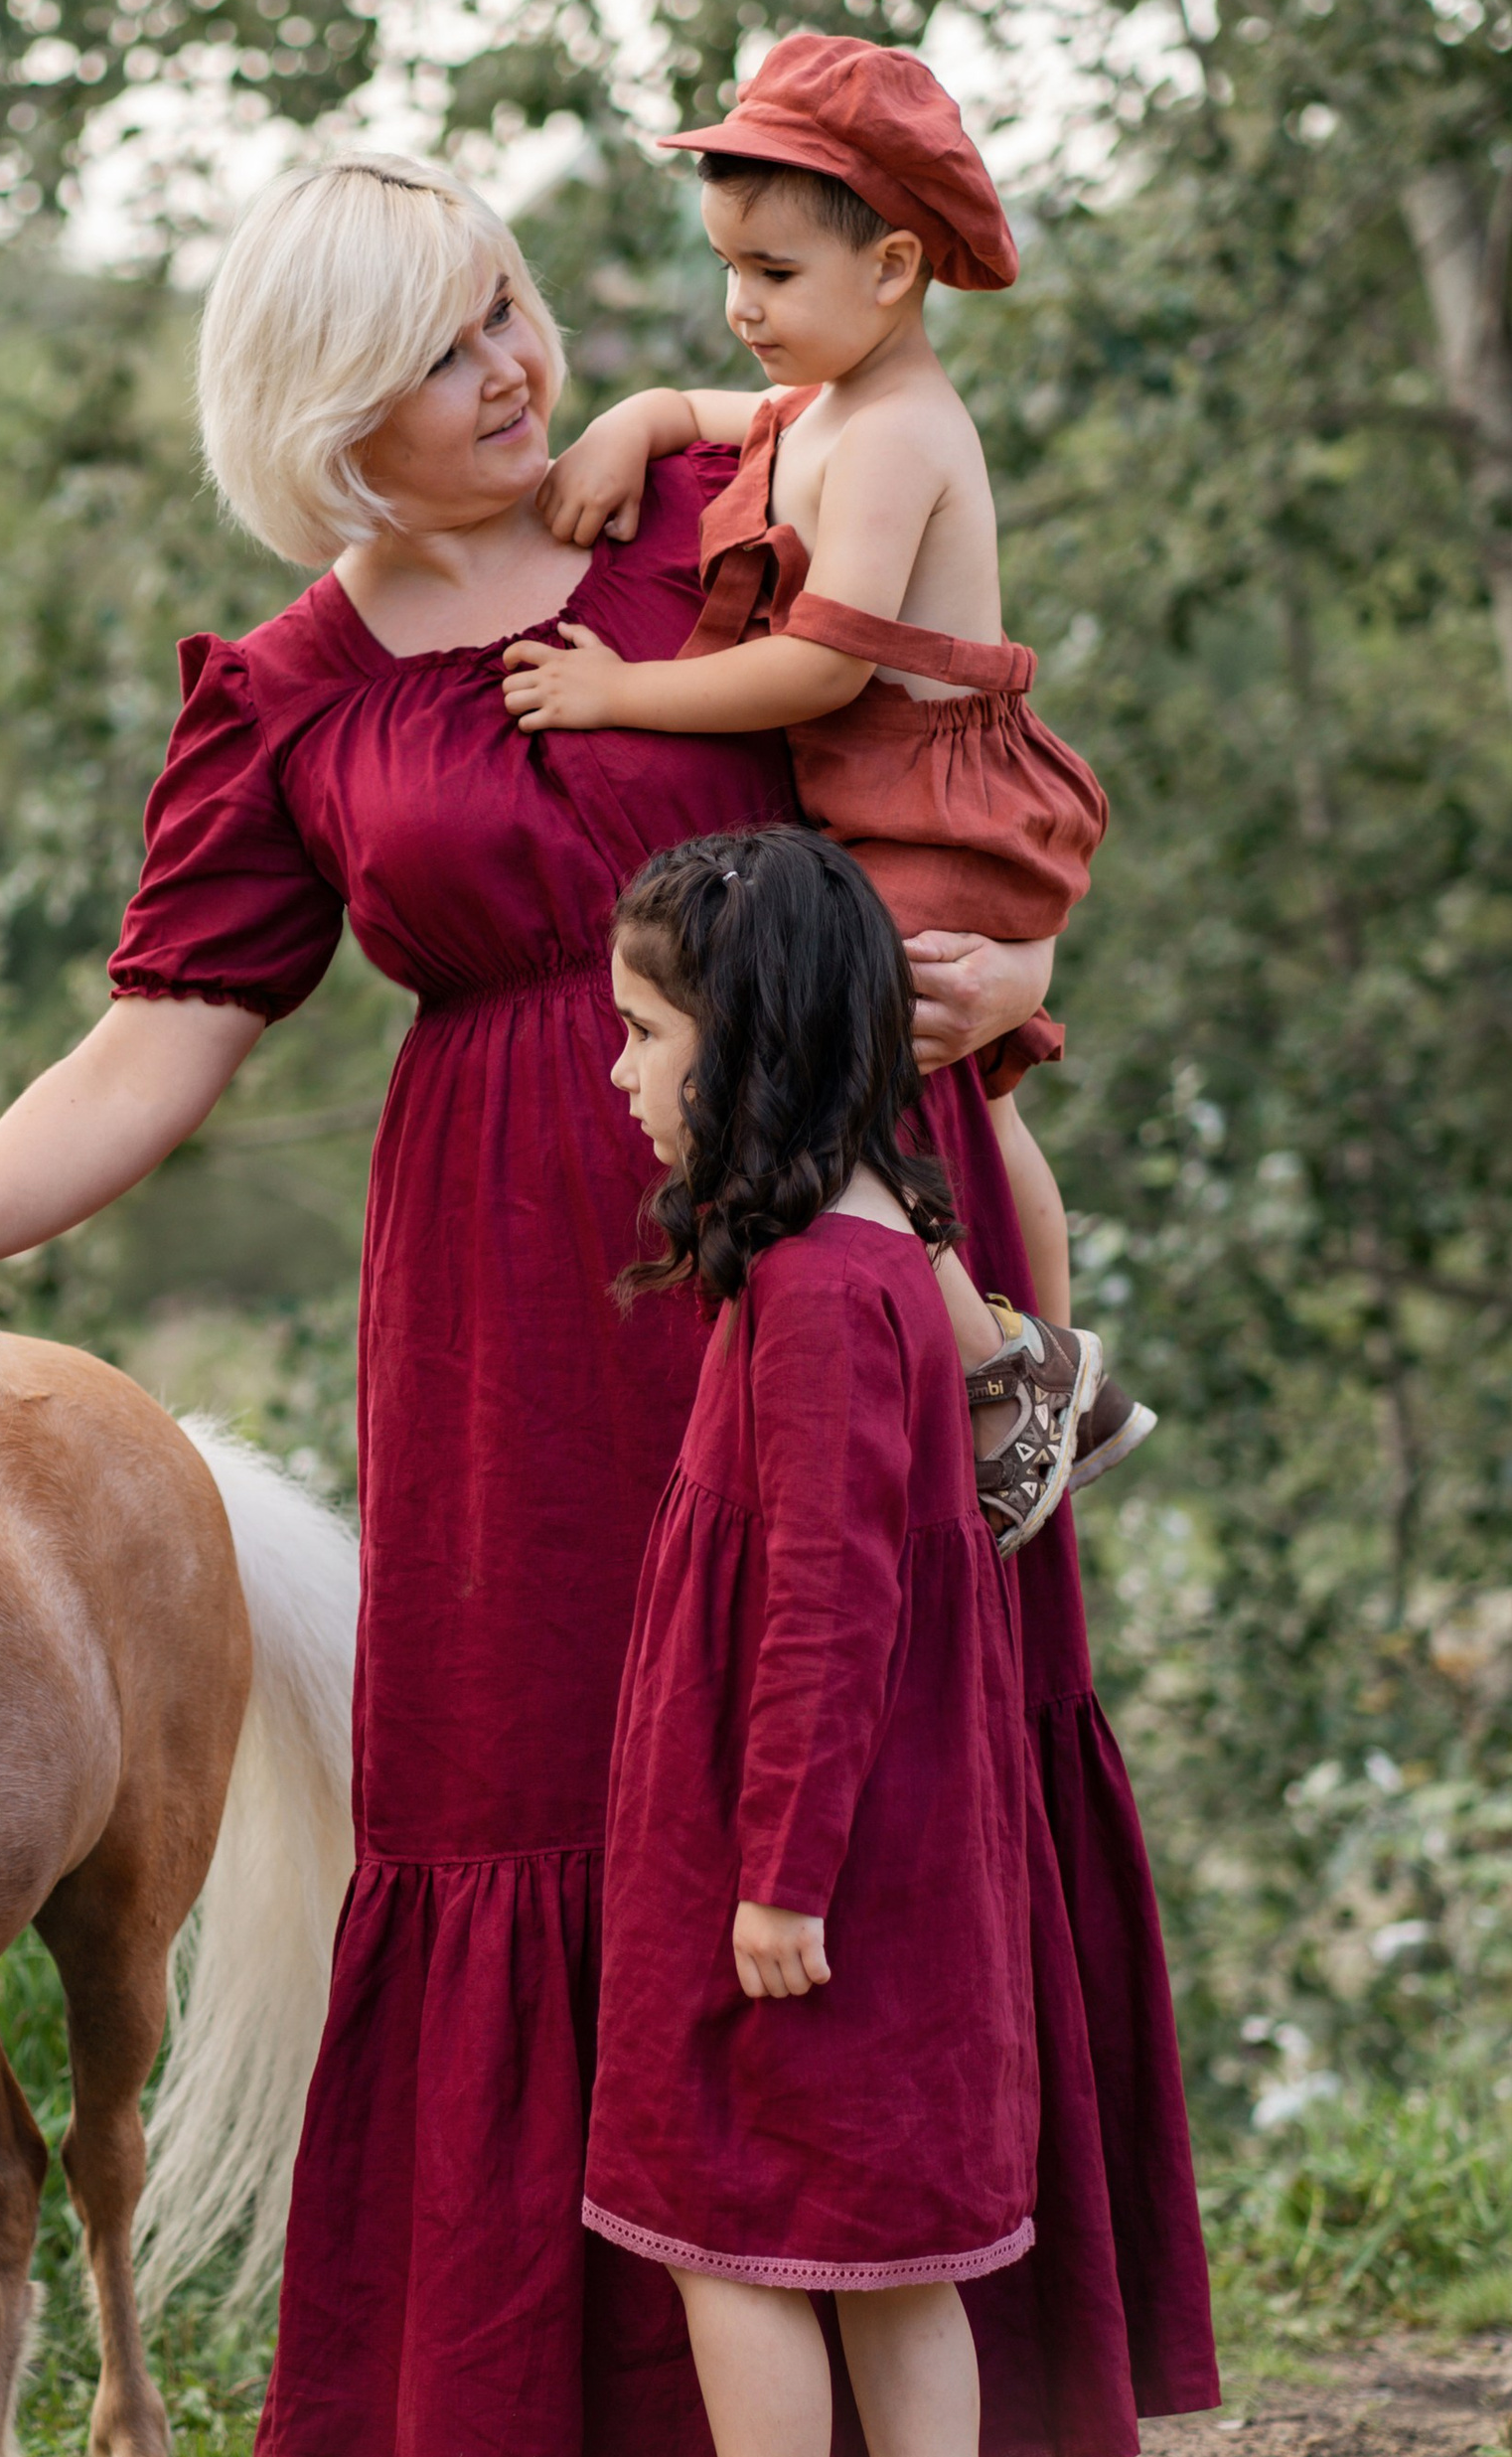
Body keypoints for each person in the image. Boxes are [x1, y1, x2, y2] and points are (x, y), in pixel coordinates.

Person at [0, 149, 1216, 2457]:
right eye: (439, 350)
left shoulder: (714, 496)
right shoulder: (288, 694)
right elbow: (158, 1039)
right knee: (533, 1799)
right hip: (514, 1307)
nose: (513, 364)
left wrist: (1028, 971)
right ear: (319, 419)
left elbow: (946, 755)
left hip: (836, 1238)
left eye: (504, 305)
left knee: (852, 1766)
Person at [501, 33, 1156, 1555]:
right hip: (883, 816)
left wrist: (616, 693)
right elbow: (708, 414)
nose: (742, 307)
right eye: (728, 265)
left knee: (839, 1067)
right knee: (966, 1095)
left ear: (899, 269)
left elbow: (811, 673)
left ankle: (1007, 1368)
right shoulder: (821, 402)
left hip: (941, 811)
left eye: (776, 273)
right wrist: (637, 419)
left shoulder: (901, 433)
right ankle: (1056, 1369)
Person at [587, 825, 1042, 2457]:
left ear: (748, 1040)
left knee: (734, 2234)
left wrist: (776, 1871)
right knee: (886, 2254)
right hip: (874, 1844)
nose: (622, 1071)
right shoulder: (872, 1261)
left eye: (644, 1030)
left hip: (802, 1864)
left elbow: (830, 1606)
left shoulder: (822, 1294)